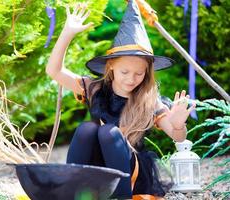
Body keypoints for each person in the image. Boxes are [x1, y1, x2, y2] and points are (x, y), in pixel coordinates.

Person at [46, 1, 196, 199]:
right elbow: (54, 71)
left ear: (147, 73)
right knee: (87, 129)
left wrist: (177, 125)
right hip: (95, 167)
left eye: (139, 73)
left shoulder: (149, 100)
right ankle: (72, 192)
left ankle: (121, 197)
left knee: (108, 131)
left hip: (127, 170)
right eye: (124, 71)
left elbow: (178, 137)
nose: (131, 79)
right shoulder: (95, 88)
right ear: (110, 68)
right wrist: (67, 34)